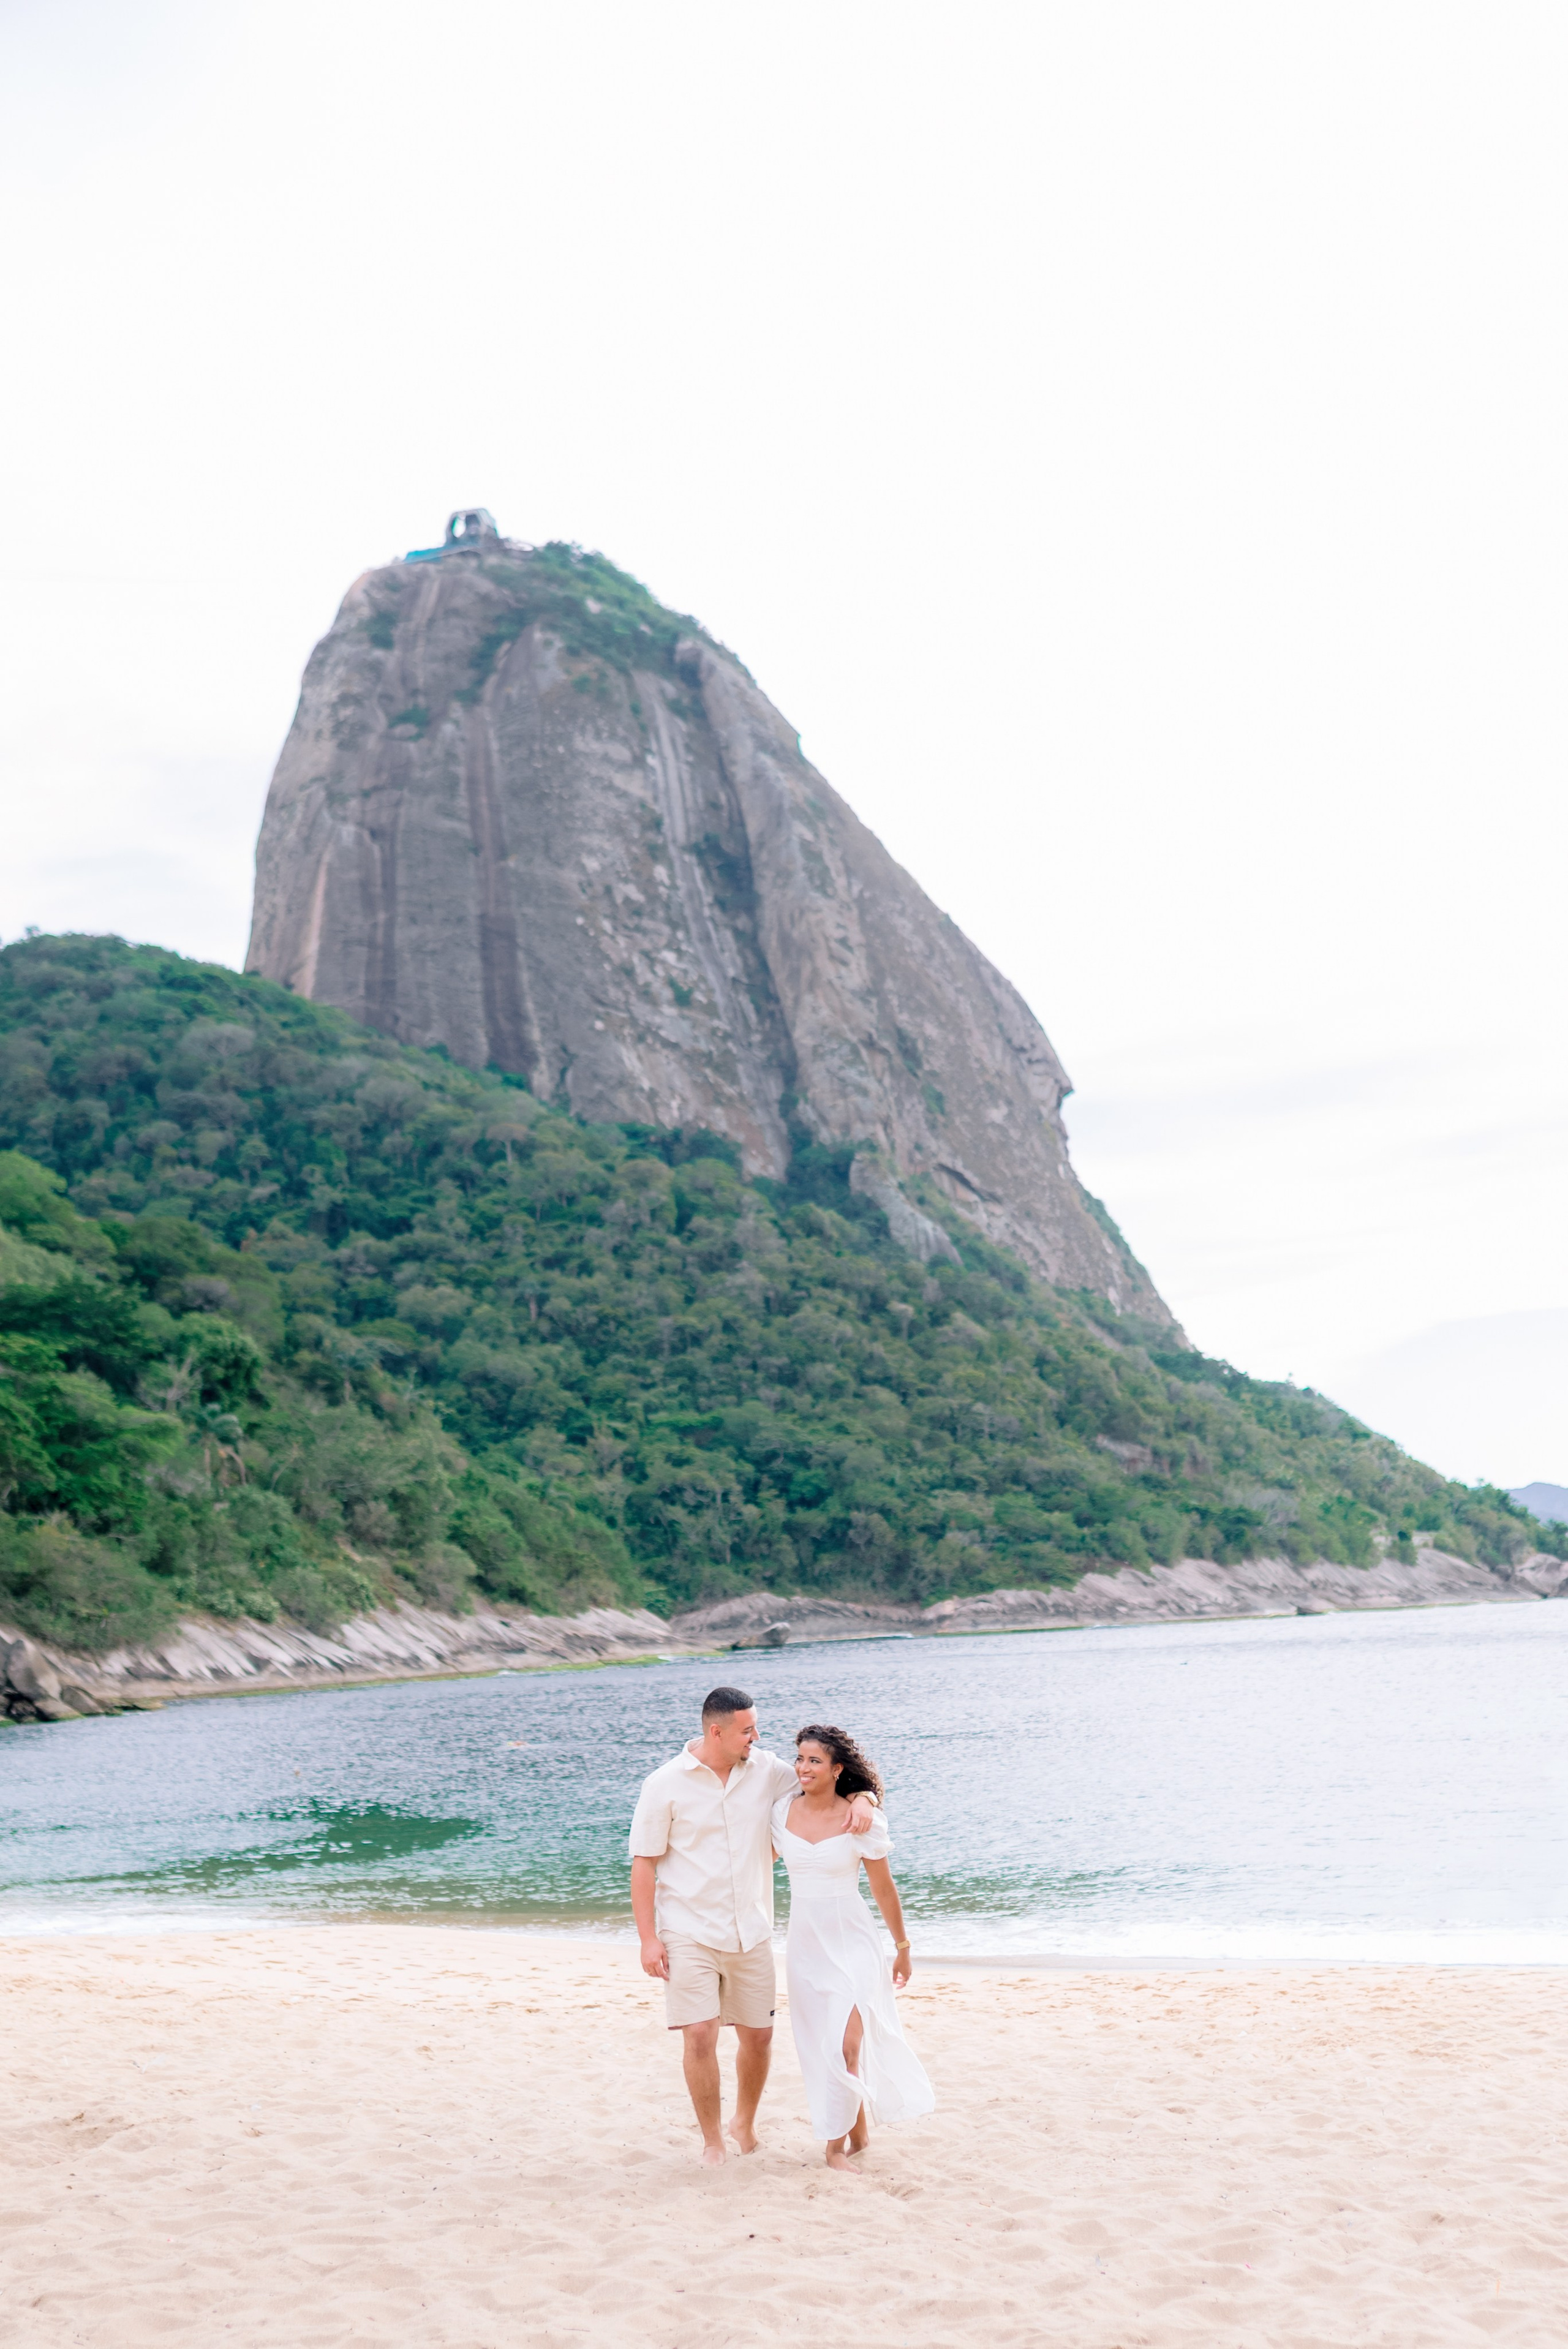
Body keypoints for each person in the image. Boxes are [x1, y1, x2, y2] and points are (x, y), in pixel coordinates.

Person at [629, 1685, 880, 2165]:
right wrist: (648, 1938)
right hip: (687, 1927)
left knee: (758, 2036)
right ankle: (712, 2140)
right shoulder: (664, 1784)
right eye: (748, 1729)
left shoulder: (768, 1771)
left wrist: (865, 1797)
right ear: (716, 1731)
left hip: (752, 1928)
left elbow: (826, 1777)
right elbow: (644, 1863)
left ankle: (743, 2120)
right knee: (700, 2032)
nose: (757, 1736)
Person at [772, 1722, 935, 2172]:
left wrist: (902, 1946)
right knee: (821, 2044)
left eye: (815, 1760)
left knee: (846, 2043)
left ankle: (834, 2148)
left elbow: (884, 1888)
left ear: (837, 1768)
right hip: (805, 1942)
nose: (803, 1767)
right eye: (800, 1758)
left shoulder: (860, 1817)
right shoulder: (781, 1810)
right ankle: (856, 2127)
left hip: (852, 1939)